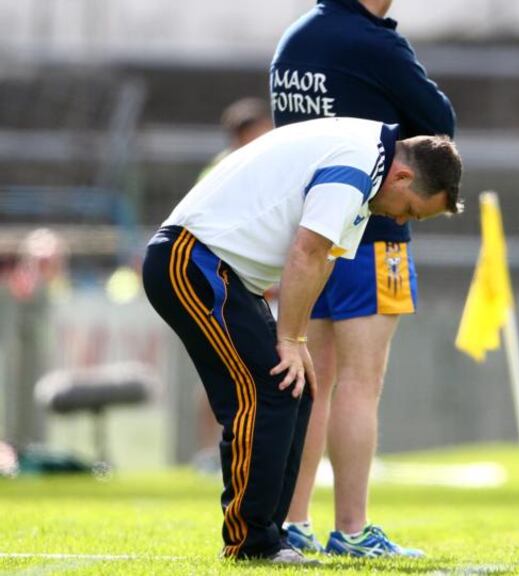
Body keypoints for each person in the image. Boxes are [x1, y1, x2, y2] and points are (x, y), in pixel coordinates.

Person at [142, 117, 462, 564]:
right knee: (265, 390)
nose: (400, 219)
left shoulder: (370, 170)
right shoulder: (356, 163)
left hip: (226, 274)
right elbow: (306, 252)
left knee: (298, 387)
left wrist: (298, 343)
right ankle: (251, 541)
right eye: (409, 209)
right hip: (191, 263)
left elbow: (325, 259)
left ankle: (275, 536)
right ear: (404, 176)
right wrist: (290, 338)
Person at [271, 0, 455, 557]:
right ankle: (352, 529)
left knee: (312, 380)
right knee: (359, 382)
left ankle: (293, 521)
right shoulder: (376, 43)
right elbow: (440, 126)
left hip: (309, 231)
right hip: (374, 233)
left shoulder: (294, 40)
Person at [200, 98, 274, 179]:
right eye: (246, 134)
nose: (254, 140)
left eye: (259, 132)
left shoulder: (280, 157)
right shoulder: (219, 170)